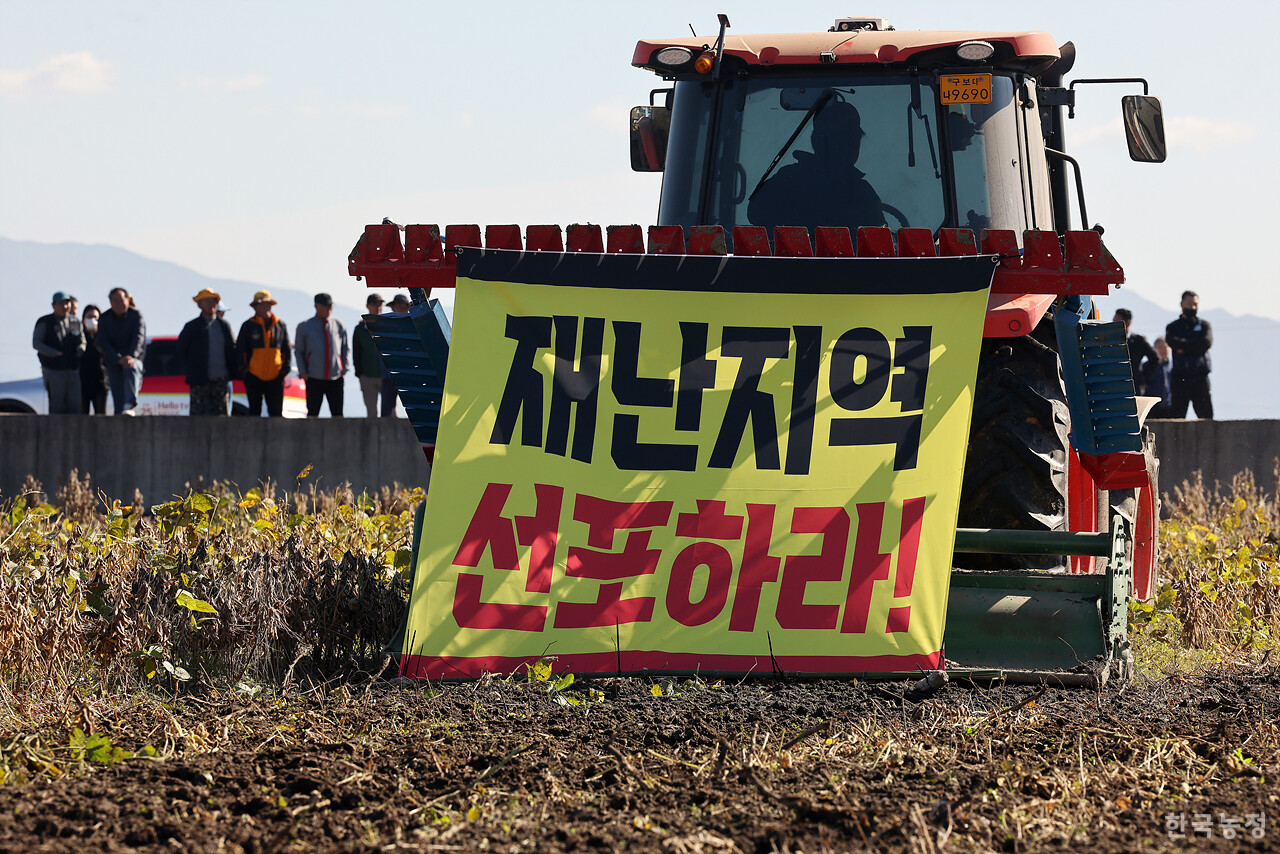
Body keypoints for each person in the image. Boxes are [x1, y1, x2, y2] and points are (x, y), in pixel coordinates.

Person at [747, 95, 885, 234]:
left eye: (851, 139)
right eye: (842, 139)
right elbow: (755, 214)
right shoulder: (861, 192)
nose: (849, 145)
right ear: (818, 141)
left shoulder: (788, 178)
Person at [177, 288, 239, 415]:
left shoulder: (224, 326)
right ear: (199, 304)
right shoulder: (191, 327)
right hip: (199, 381)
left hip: (221, 381)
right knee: (197, 418)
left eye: (214, 301)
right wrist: (192, 370)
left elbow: (233, 349)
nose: (211, 304)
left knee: (221, 417)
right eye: (207, 301)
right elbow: (181, 351)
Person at [236, 290, 292, 417]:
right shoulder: (247, 326)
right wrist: (245, 372)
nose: (265, 307)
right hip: (253, 377)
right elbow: (240, 350)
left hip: (276, 378)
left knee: (276, 414)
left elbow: (287, 350)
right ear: (254, 307)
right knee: (254, 412)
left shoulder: (280, 325)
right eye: (261, 304)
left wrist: (284, 371)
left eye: (267, 304)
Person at [295, 292, 349, 417]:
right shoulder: (305, 327)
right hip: (313, 378)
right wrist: (303, 372)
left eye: (330, 306)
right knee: (312, 415)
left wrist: (344, 370)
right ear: (316, 306)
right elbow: (299, 351)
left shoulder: (339, 325)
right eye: (325, 306)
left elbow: (345, 348)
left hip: (335, 378)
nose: (329, 309)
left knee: (338, 415)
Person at [32, 290, 85, 414]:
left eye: (67, 303)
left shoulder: (75, 321)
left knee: (75, 404)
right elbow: (37, 343)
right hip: (53, 369)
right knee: (58, 404)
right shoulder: (45, 322)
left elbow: (82, 340)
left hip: (72, 368)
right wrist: (54, 353)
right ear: (53, 305)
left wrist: (81, 349)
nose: (65, 306)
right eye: (61, 303)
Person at [97, 287, 146, 415]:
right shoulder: (104, 319)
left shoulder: (136, 316)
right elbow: (104, 343)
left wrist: (131, 356)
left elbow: (139, 338)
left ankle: (130, 405)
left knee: (131, 369)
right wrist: (118, 359)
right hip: (114, 362)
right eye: (115, 300)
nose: (119, 303)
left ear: (128, 300)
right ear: (110, 302)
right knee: (118, 399)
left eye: (122, 300)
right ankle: (120, 414)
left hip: (133, 360)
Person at [1165, 290, 1213, 419]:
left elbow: (1206, 343)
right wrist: (1195, 345)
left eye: (1195, 304)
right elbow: (1172, 341)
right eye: (1190, 304)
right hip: (1181, 377)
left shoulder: (1204, 326)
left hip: (1200, 376)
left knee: (1206, 418)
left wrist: (1184, 346)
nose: (1193, 307)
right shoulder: (1172, 327)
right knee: (1177, 417)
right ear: (1182, 304)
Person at [353, 292, 386, 417]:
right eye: (374, 304)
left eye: (380, 304)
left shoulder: (387, 326)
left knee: (390, 413)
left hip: (386, 375)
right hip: (367, 375)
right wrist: (360, 373)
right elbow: (356, 352)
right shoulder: (360, 329)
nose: (378, 307)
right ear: (368, 306)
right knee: (372, 413)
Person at [1113, 308, 1158, 395]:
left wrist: (1143, 376)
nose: (1113, 324)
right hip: (1115, 385)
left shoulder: (1138, 341)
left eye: (1117, 321)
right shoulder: (1110, 341)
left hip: (1134, 386)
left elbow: (1155, 358)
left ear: (1127, 323)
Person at [79, 304, 110, 414]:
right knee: (82, 418)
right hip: (82, 384)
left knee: (101, 417)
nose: (92, 320)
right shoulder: (78, 337)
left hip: (101, 384)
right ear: (83, 319)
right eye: (89, 317)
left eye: (95, 317)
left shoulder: (105, 337)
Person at [1144, 337, 1174, 418]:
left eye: (1165, 347)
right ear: (1154, 349)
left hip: (1169, 405)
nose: (1163, 350)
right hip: (1152, 406)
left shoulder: (1174, 367)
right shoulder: (1147, 366)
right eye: (1160, 347)